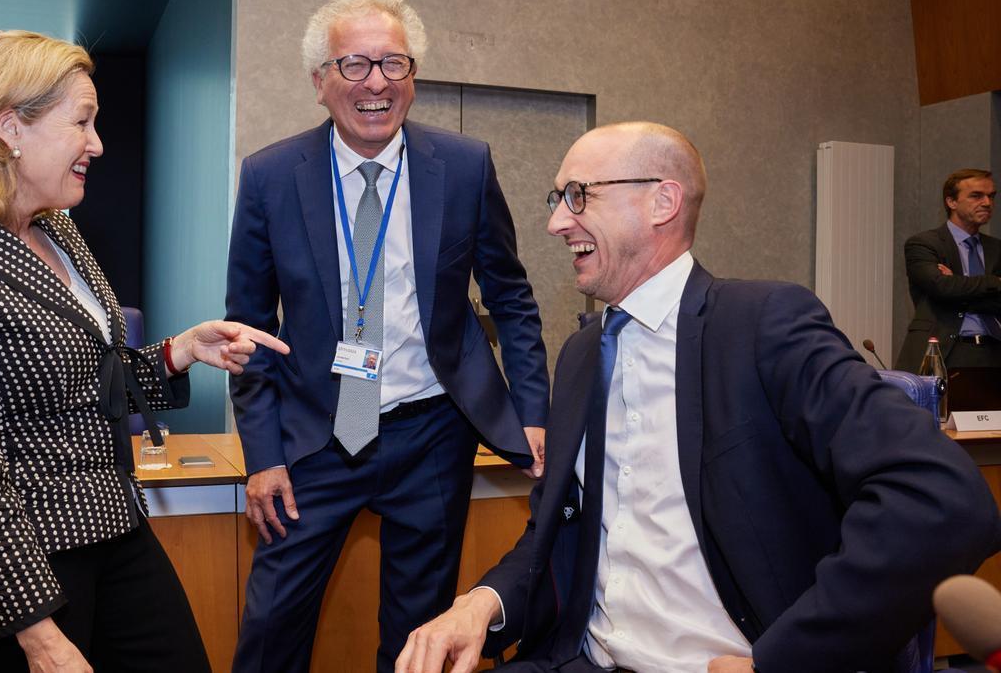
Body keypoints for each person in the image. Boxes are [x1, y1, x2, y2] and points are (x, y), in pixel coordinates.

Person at [397, 122, 1001, 673]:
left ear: (663, 201)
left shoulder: (762, 324)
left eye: (578, 195)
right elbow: (561, 531)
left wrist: (783, 662)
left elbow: (942, 500)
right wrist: (482, 604)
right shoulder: (583, 355)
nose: (557, 223)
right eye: (557, 200)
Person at [0, 31, 288, 673]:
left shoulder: (57, 230)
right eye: (82, 122)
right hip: (18, 567)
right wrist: (39, 636)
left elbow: (89, 381)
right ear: (10, 127)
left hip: (115, 526)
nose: (96, 143)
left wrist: (179, 352)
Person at [224, 0, 549, 670]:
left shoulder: (463, 166)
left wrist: (533, 410)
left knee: (419, 638)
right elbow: (247, 328)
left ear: (413, 73)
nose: (377, 82)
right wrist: (262, 454)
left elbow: (511, 296)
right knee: (270, 630)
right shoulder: (269, 176)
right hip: (315, 437)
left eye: (393, 63)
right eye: (355, 64)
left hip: (430, 432)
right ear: (320, 79)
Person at [896, 169, 1001, 371]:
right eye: (976, 196)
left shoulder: (997, 249)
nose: (987, 203)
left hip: (993, 353)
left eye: (991, 196)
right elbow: (941, 288)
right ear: (951, 202)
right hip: (943, 351)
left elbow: (952, 290)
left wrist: (957, 284)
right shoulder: (924, 244)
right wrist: (994, 282)